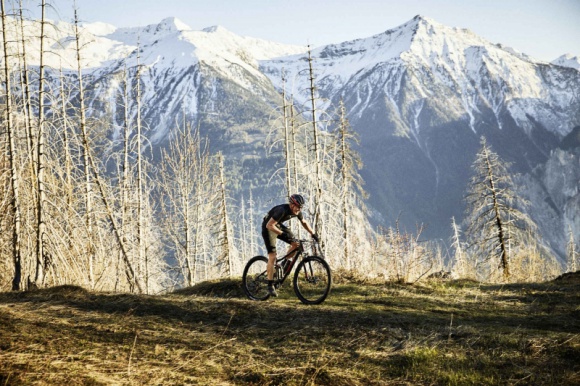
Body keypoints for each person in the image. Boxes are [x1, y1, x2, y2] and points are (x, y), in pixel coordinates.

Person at [262, 194, 318, 297]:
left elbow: (304, 222)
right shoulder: (281, 210)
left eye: (301, 207)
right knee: (272, 256)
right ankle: (270, 285)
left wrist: (313, 234)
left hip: (277, 225)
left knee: (296, 244)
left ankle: (284, 265)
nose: (299, 209)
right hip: (268, 228)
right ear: (292, 205)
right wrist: (282, 234)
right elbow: (269, 225)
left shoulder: (297, 211)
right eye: (298, 207)